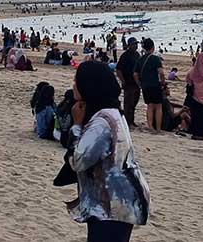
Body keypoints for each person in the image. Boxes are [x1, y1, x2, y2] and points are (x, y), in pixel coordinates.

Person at [65, 61, 150, 242]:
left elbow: (78, 161)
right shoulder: (111, 112)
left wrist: (76, 125)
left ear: (89, 85)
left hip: (114, 204)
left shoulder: (101, 122)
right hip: (120, 199)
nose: (73, 83)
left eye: (76, 80)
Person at [133, 38, 166, 133]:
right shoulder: (155, 58)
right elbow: (161, 72)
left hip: (145, 86)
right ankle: (158, 128)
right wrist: (163, 83)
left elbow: (135, 74)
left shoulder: (140, 59)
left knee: (150, 106)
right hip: (155, 85)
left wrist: (139, 83)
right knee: (158, 106)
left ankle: (150, 126)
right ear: (153, 47)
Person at [115, 37, 141, 127]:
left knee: (134, 102)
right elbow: (118, 69)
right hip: (128, 83)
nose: (136, 46)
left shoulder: (137, 55)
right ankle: (126, 121)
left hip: (136, 83)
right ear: (129, 45)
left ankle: (131, 120)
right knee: (128, 104)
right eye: (134, 44)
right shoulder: (125, 56)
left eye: (136, 44)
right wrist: (123, 81)